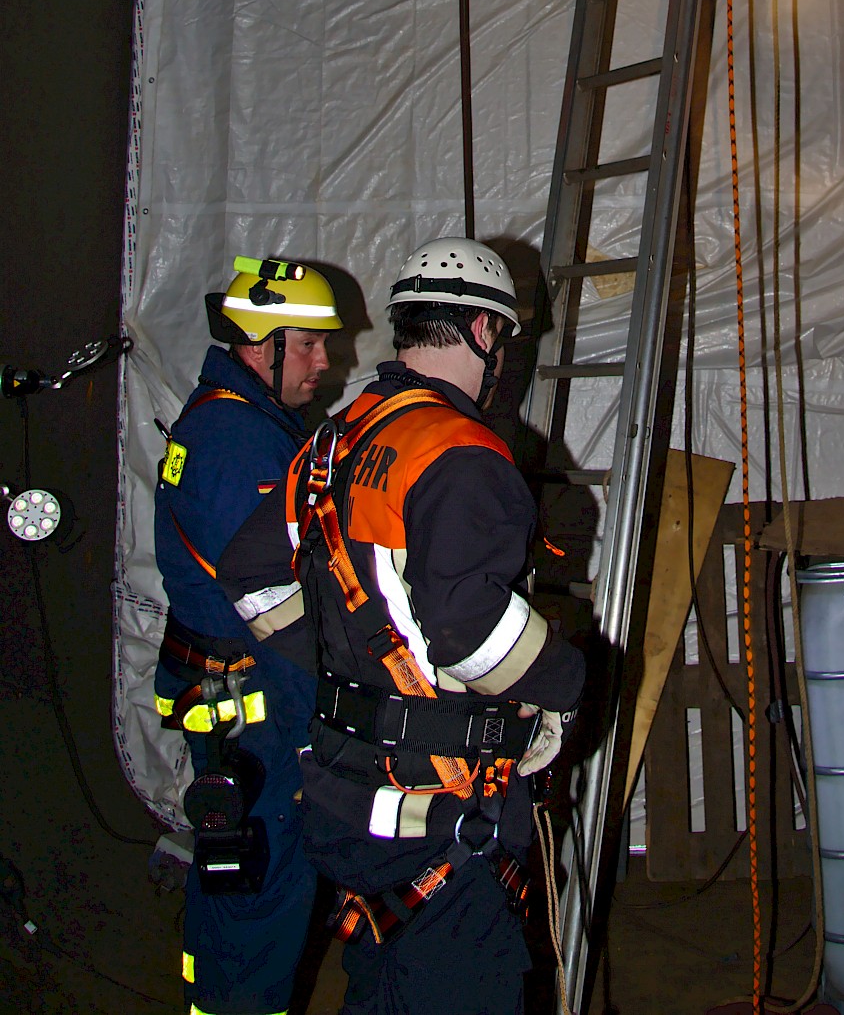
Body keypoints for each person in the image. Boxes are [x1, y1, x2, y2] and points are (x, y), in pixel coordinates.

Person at [217, 238, 586, 1015]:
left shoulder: (335, 436)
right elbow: (465, 631)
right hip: (446, 813)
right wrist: (565, 683)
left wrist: (341, 676)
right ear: (487, 334)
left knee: (383, 989)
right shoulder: (462, 453)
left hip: (347, 797)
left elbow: (250, 574)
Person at [154, 254, 343, 1015]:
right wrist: (317, 727)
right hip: (260, 716)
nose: (325, 362)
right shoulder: (237, 443)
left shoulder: (236, 424)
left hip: (231, 709)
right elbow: (276, 611)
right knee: (265, 889)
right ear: (260, 346)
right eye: (309, 345)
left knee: (232, 880)